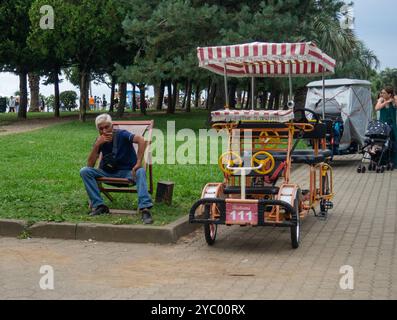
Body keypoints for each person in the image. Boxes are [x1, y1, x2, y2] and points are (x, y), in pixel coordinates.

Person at [80, 114, 154, 224]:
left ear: (112, 126)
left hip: (128, 173)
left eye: (107, 127)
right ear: (98, 130)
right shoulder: (99, 140)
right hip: (107, 173)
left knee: (141, 171)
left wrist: (139, 162)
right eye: (101, 129)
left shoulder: (122, 134)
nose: (104, 131)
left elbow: (141, 140)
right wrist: (97, 145)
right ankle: (99, 206)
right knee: (85, 171)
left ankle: (145, 209)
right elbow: (90, 165)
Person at [375, 86, 397, 166]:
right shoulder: (381, 100)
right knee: (381, 142)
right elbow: (377, 108)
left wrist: (394, 98)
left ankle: (393, 162)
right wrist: (385, 102)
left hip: (392, 125)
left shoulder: (394, 100)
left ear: (389, 94)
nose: (382, 94)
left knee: (393, 142)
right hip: (382, 126)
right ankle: (382, 160)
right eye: (382, 92)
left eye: (384, 93)